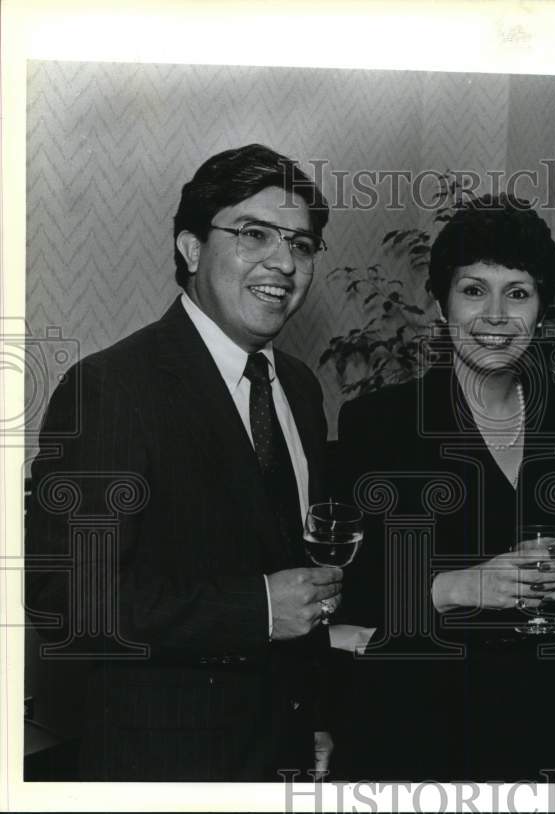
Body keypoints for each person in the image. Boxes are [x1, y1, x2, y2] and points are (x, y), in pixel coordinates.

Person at [26, 144, 342, 781]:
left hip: (282, 754)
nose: (283, 262)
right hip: (166, 766)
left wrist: (312, 720)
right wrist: (254, 610)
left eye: (302, 246)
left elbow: (288, 572)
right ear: (192, 247)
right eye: (255, 234)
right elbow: (66, 598)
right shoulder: (113, 389)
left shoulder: (302, 388)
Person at [330, 194, 555, 780]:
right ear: (441, 302)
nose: (496, 316)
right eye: (474, 290)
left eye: (519, 293)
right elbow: (343, 598)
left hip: (534, 725)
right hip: (409, 724)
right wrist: (457, 586)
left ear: (542, 309)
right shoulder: (378, 425)